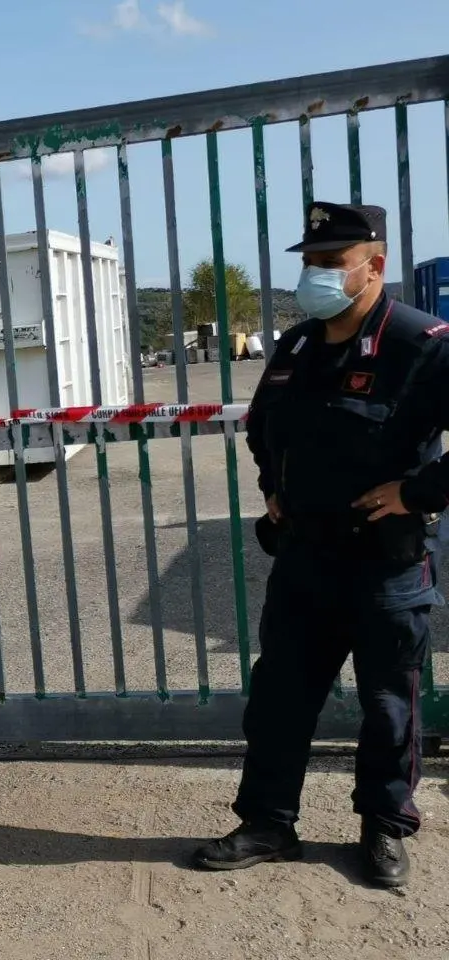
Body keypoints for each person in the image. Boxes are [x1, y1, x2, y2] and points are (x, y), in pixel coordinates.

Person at [192, 202, 449, 888]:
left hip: (385, 562)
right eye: (311, 262)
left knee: (389, 705)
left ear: (375, 266)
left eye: (331, 263)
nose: (317, 276)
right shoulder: (299, 346)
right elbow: (263, 428)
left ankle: (385, 827)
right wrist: (272, 485)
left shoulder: (421, 344)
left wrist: (419, 493)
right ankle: (268, 822)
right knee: (279, 697)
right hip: (305, 559)